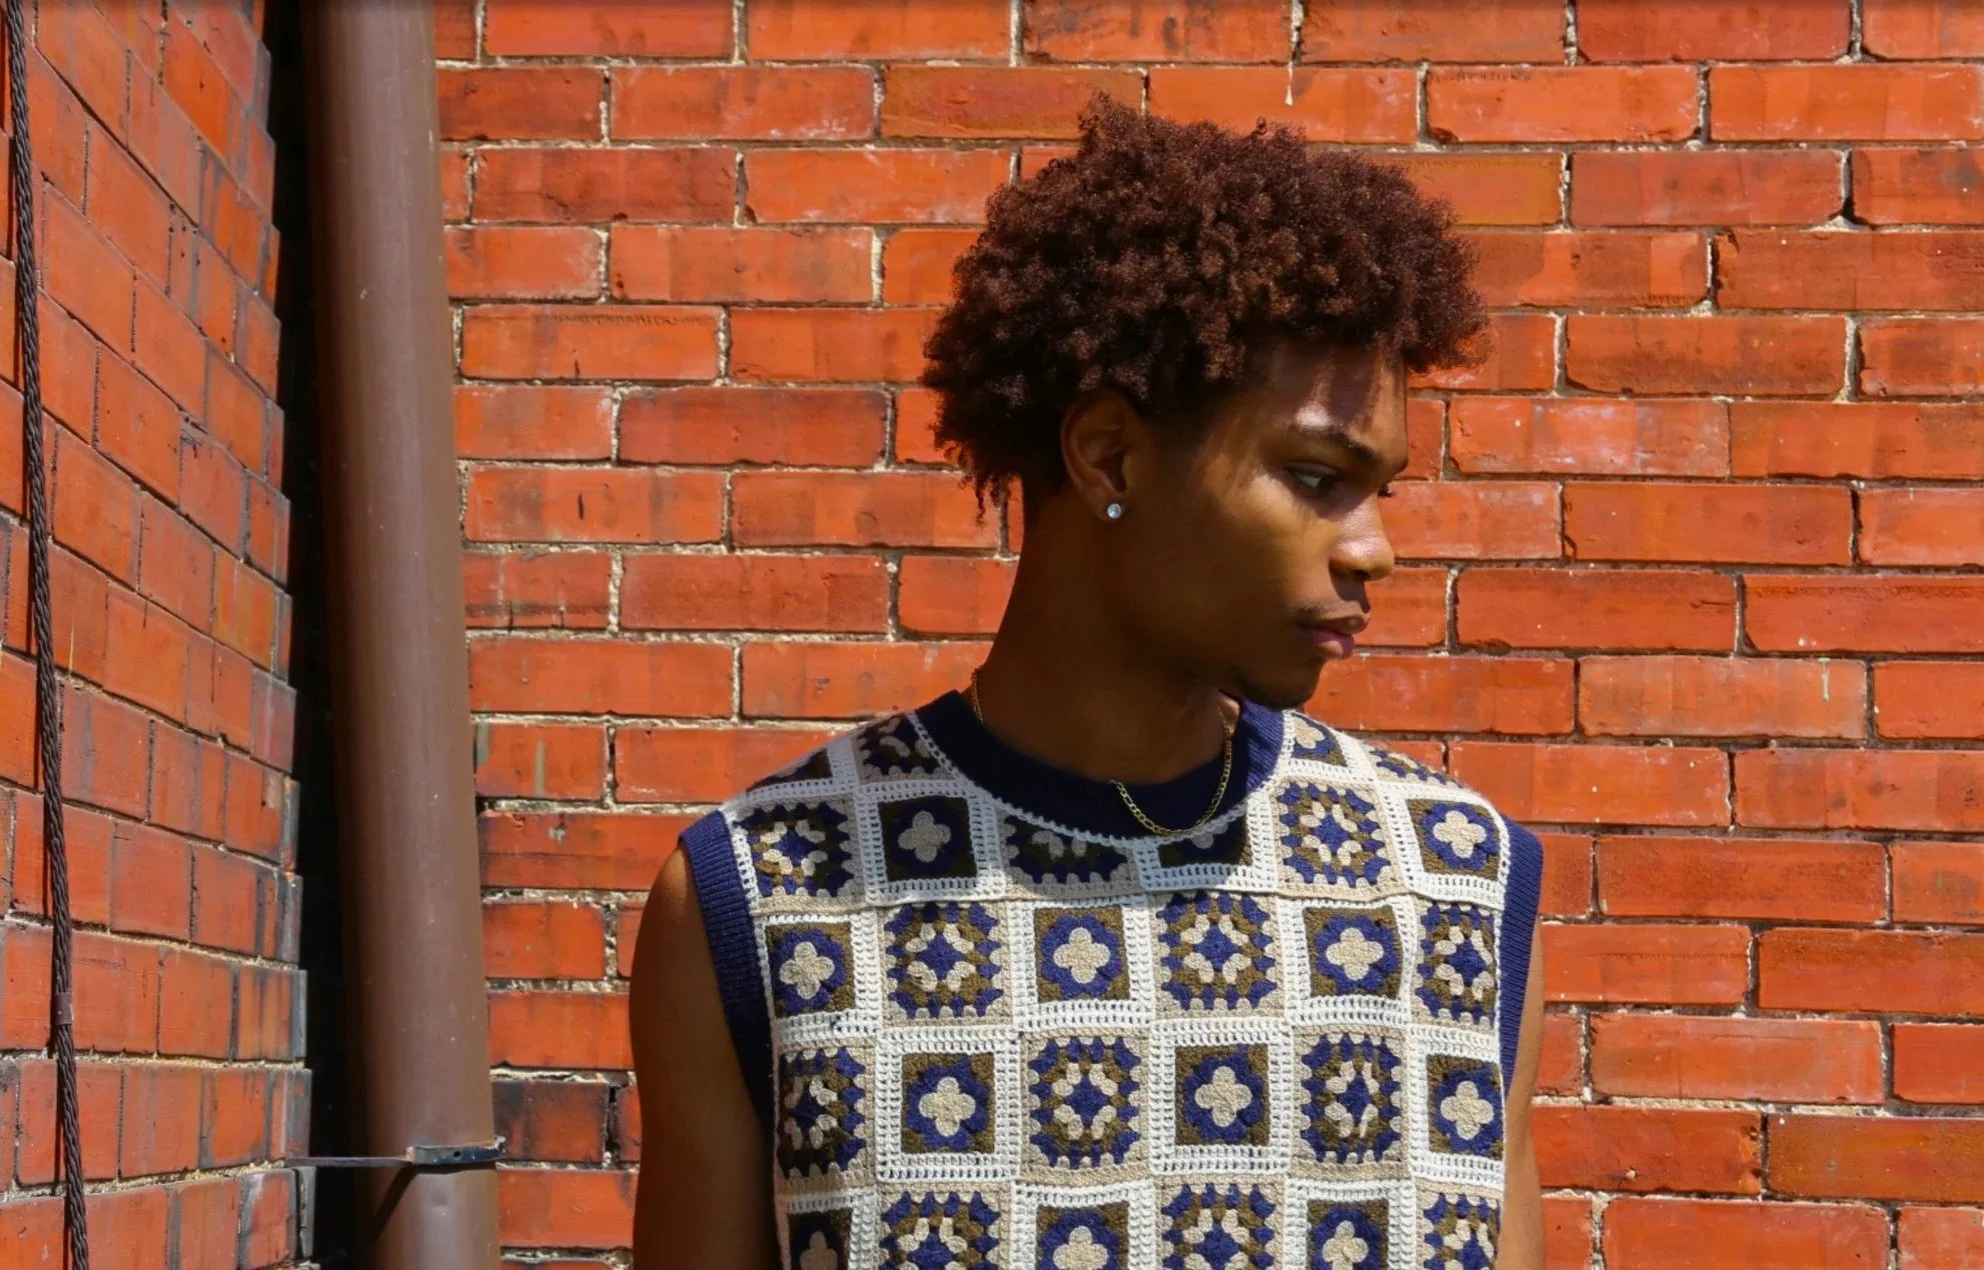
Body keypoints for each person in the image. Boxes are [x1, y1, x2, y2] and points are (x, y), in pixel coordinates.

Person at [631, 97, 1545, 1270]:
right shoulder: (767, 899)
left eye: (1382, 491)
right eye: (1315, 476)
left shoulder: (1453, 886)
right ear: (1108, 452)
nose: (1372, 546)